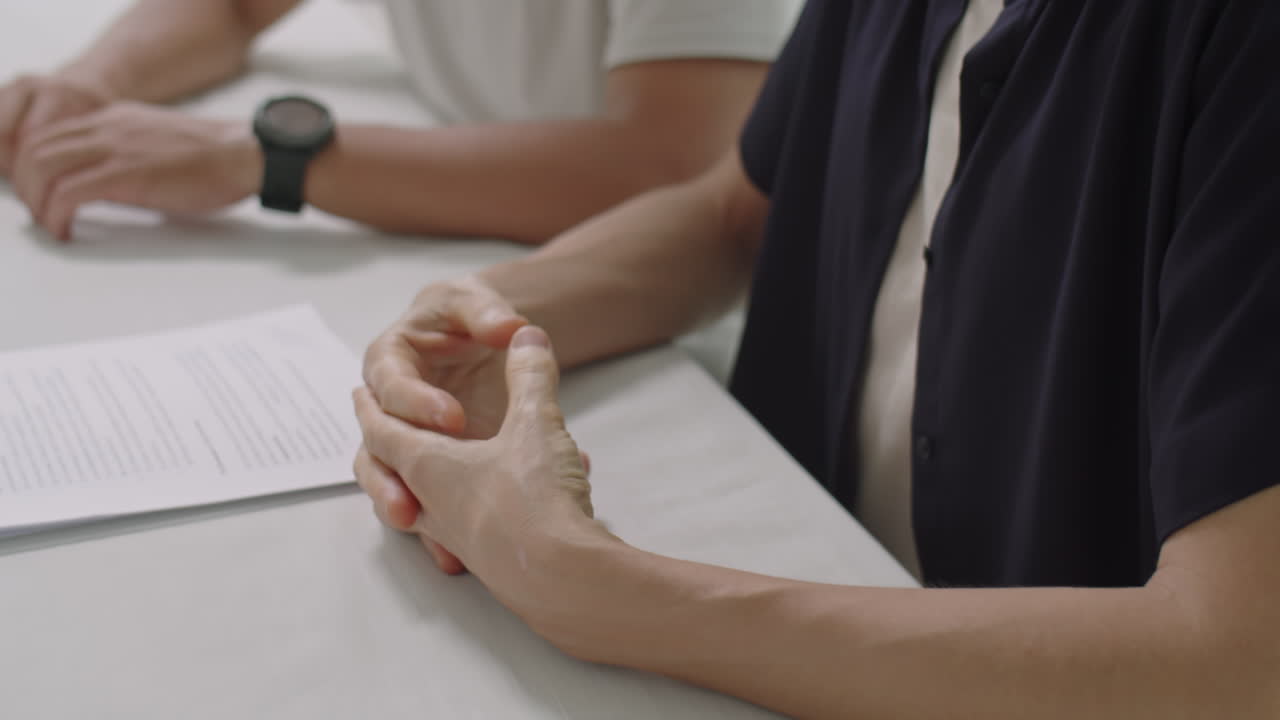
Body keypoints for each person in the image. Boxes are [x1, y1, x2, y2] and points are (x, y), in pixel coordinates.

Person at [353, 0, 1280, 717]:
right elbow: (734, 216)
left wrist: (598, 591)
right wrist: (492, 319)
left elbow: (1230, 660)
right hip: (796, 606)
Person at [0, 0, 799, 242]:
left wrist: (273, 156)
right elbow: (234, 6)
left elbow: (672, 170)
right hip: (475, 235)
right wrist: (87, 85)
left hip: (686, 334)